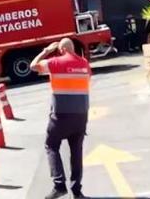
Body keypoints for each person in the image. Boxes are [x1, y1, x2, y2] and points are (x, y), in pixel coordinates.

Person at [30, 38, 91, 199]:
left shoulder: (55, 62)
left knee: (51, 146)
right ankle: (77, 191)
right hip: (81, 116)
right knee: (76, 152)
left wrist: (47, 51)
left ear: (62, 50)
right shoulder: (84, 64)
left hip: (61, 115)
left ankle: (59, 185)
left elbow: (33, 66)